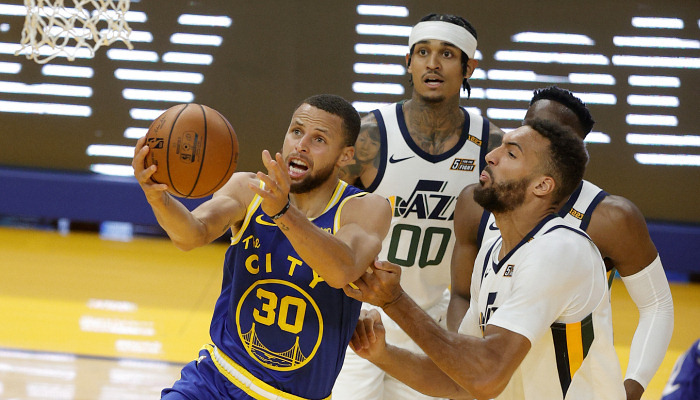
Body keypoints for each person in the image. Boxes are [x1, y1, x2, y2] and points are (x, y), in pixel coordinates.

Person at [132, 94, 392, 400]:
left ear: (345, 156)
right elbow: (191, 234)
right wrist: (157, 197)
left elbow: (341, 270)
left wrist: (284, 213)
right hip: (215, 381)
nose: (301, 145)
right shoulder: (248, 189)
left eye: (319, 139)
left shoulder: (364, 208)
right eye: (296, 131)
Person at [344, 119, 625, 399]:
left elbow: (486, 377)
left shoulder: (561, 250)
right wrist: (381, 353)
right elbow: (460, 380)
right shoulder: (492, 251)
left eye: (511, 153)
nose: (491, 156)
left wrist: (394, 301)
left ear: (542, 185)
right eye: (499, 148)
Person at [446, 86, 674, 400]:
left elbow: (657, 305)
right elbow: (461, 295)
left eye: (549, 133)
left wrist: (633, 386)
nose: (535, 137)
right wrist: (465, 372)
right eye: (530, 127)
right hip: (500, 378)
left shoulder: (610, 217)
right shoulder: (478, 203)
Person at [333, 13, 502, 400]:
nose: (433, 63)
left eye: (447, 54)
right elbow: (322, 217)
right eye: (423, 52)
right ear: (409, 62)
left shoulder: (491, 146)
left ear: (469, 67)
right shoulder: (370, 136)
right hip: (360, 315)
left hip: (431, 323)